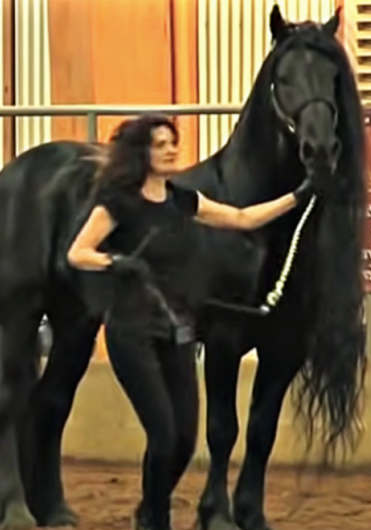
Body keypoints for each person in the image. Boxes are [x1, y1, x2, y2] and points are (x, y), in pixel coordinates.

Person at [66, 114, 323, 530]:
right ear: (141, 153)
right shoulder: (119, 203)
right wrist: (116, 262)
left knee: (185, 440)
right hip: (133, 333)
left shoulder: (183, 199)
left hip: (178, 332)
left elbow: (242, 219)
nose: (171, 149)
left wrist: (297, 197)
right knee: (164, 437)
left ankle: (150, 510)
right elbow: (78, 252)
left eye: (172, 142)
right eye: (161, 144)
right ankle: (156, 519)